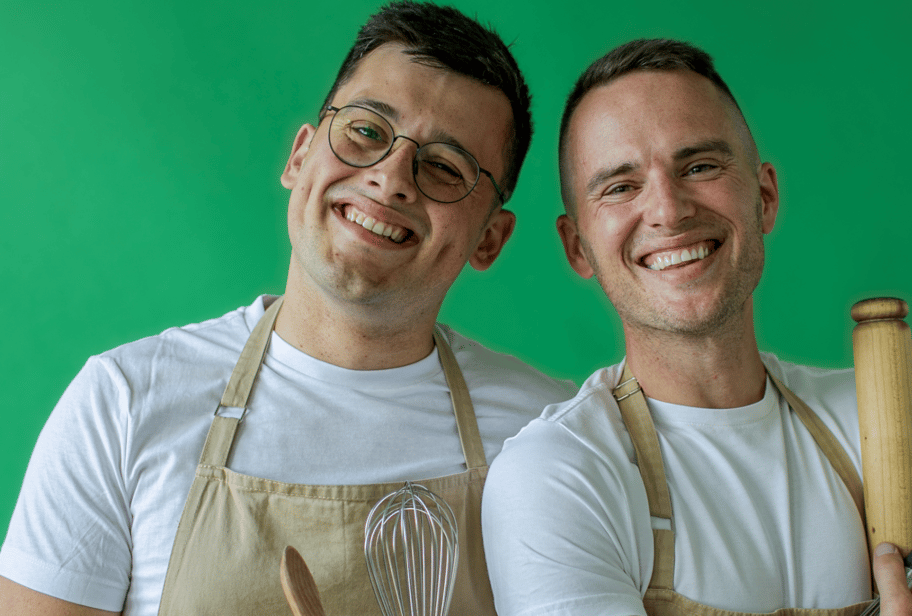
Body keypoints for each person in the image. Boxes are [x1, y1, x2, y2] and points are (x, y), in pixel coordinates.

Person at [0, 3, 576, 615]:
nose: (391, 177)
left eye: (443, 167)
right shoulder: (123, 401)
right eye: (366, 131)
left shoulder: (550, 432)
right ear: (300, 157)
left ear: (490, 237)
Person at [481, 38, 912, 616]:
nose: (668, 209)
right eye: (620, 186)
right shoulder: (559, 474)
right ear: (578, 247)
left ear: (764, 197)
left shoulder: (884, 416)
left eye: (700, 166)